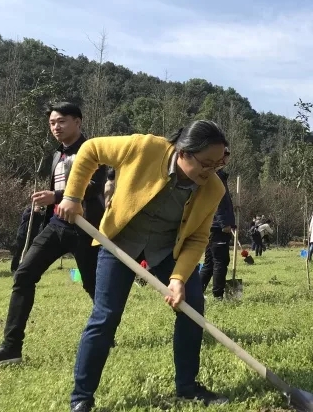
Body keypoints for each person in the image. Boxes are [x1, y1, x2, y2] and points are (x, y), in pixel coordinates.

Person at [56, 120, 230, 411]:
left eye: (217, 165)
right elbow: (91, 149)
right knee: (105, 316)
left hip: (166, 251)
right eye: (205, 163)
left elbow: (198, 237)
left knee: (192, 308)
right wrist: (73, 196)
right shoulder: (144, 148)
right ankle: (81, 398)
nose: (210, 171)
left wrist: (178, 278)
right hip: (119, 242)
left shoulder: (213, 189)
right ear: (183, 152)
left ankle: (187, 387)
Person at [0, 102, 106, 366]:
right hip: (56, 225)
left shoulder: (93, 150)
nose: (56, 127)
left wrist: (55, 195)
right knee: (24, 275)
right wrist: (46, 204)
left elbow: (94, 185)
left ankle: (105, 332)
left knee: (92, 285)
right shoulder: (56, 155)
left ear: (78, 122)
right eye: (52, 123)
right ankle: (11, 348)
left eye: (62, 121)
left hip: (86, 227)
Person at [199, 148, 234, 301]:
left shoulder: (218, 175)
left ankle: (196, 292)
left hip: (212, 225)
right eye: (225, 155)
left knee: (210, 262)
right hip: (217, 226)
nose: (227, 159)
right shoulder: (215, 176)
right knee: (220, 261)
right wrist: (225, 223)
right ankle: (218, 295)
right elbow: (217, 202)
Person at [9, 204, 44, 273]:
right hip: (22, 235)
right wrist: (33, 211)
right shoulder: (28, 210)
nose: (38, 207)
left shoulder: (40, 215)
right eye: (37, 206)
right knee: (18, 252)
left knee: (30, 253)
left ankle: (26, 268)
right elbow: (25, 217)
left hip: (32, 236)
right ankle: (14, 268)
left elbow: (44, 219)